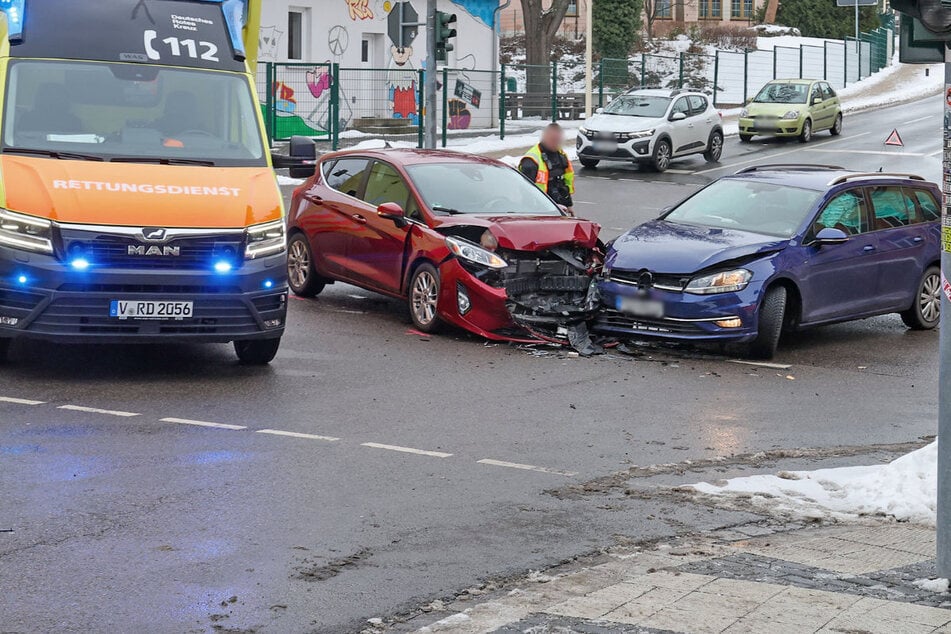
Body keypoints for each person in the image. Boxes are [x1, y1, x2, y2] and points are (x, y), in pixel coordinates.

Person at [519, 123, 575, 216]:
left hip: (557, 209)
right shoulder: (531, 160)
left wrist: (568, 204)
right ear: (544, 137)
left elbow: (564, 183)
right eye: (553, 140)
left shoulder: (560, 155)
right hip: (537, 212)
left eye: (558, 140)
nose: (556, 143)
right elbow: (526, 193)